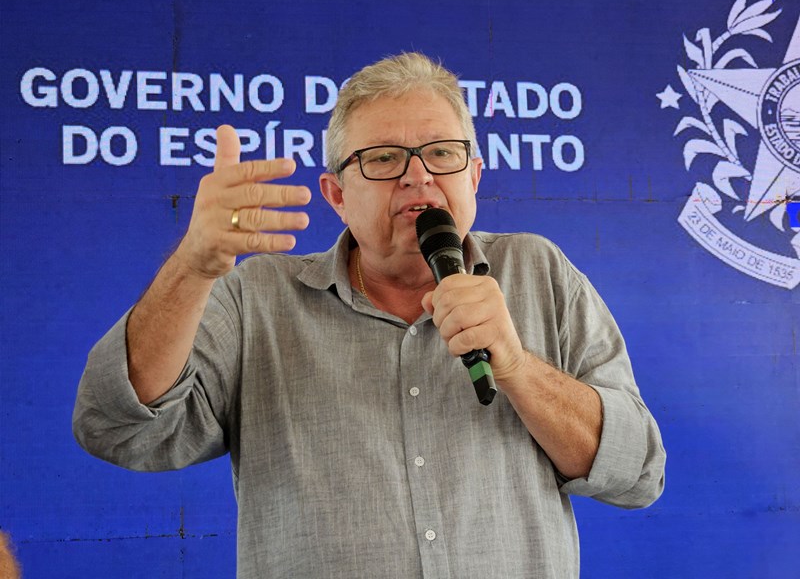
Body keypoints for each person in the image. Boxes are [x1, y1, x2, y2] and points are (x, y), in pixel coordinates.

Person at [73, 52, 665, 578]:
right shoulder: (258, 298)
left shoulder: (540, 272)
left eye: (441, 153)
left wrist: (517, 367)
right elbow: (119, 427)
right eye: (383, 158)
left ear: (474, 175)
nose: (418, 175)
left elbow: (637, 472)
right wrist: (192, 267)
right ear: (336, 194)